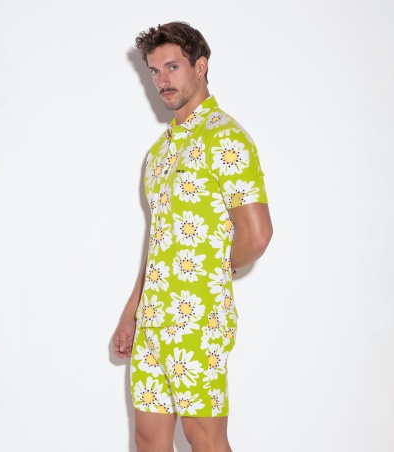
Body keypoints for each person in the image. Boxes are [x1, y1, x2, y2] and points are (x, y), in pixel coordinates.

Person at [113, 22, 273, 452]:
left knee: (204, 438)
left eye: (172, 67)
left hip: (196, 319)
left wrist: (212, 271)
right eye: (154, 70)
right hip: (153, 318)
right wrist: (132, 313)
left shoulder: (225, 137)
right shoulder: (159, 152)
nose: (162, 80)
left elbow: (257, 235)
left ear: (200, 66)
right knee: (148, 438)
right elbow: (159, 242)